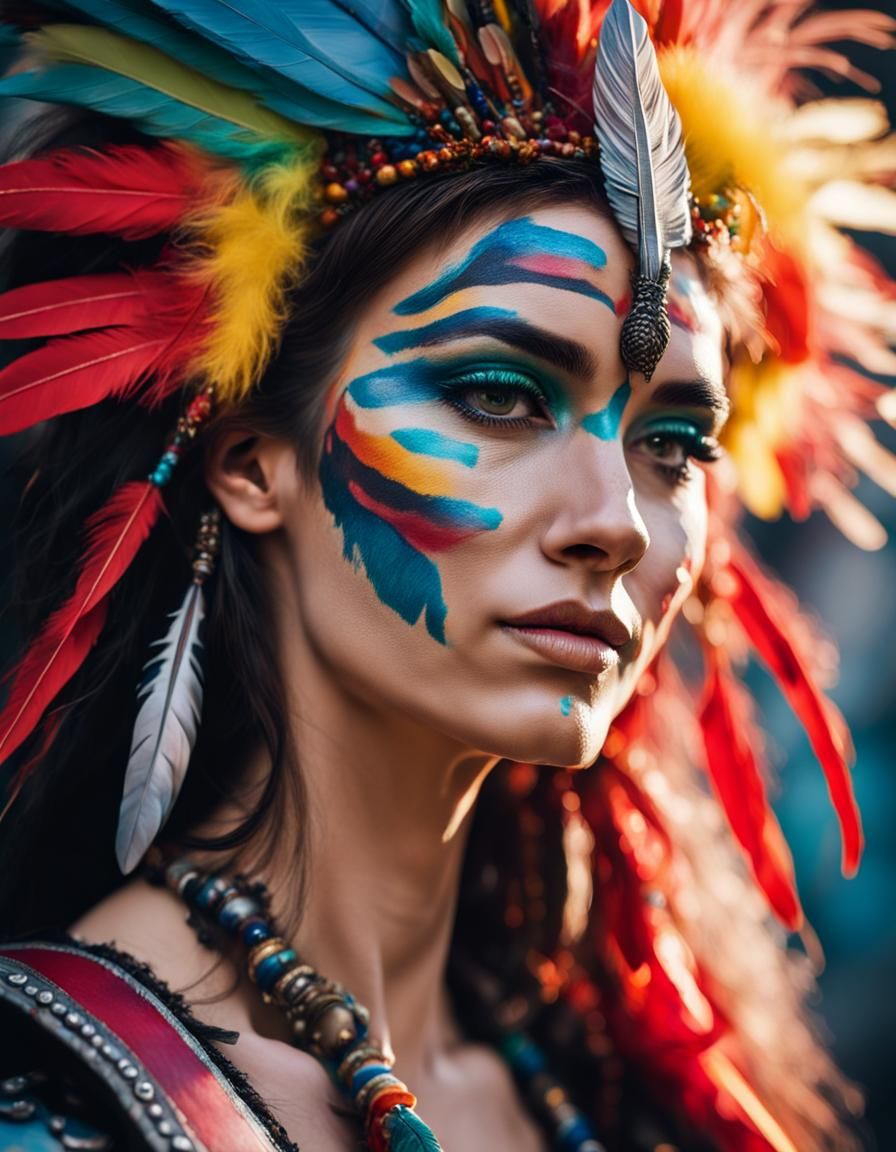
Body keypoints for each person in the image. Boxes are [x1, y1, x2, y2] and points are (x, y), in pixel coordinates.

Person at [0, 1, 892, 1150]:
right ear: (251, 463)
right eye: (497, 395)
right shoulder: (58, 1113)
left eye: (672, 446)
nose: (613, 522)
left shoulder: (611, 1081)